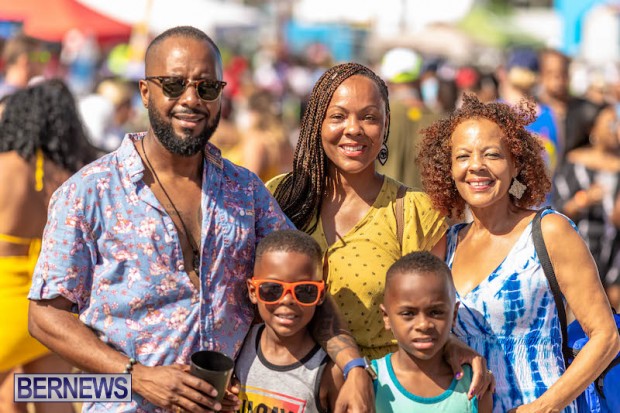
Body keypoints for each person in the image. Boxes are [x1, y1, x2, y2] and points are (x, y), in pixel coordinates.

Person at [27, 26, 374, 413]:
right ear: (145, 91)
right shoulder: (90, 192)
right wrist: (136, 376)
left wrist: (353, 366)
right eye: (173, 85)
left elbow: (304, 283)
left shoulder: (245, 191)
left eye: (206, 88)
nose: (191, 99)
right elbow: (44, 316)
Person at [268, 62, 494, 397]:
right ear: (316, 122)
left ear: (386, 125)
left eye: (369, 117)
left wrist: (451, 343)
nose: (353, 129)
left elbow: (433, 312)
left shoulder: (416, 212)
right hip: (284, 389)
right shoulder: (279, 197)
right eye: (338, 116)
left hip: (380, 395)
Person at [417, 93, 620, 412]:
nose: (476, 166)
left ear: (515, 164)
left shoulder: (549, 231)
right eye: (463, 156)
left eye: (492, 154)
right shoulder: (446, 244)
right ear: (449, 169)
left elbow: (606, 337)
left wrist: (544, 406)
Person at [0, 78, 97, 413]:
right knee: (52, 398)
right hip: (51, 307)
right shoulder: (74, 176)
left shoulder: (5, 166)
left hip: (4, 304)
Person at [236, 229, 343, 412]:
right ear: (253, 291)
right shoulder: (238, 345)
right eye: (272, 289)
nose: (287, 300)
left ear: (320, 295)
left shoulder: (330, 371)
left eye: (304, 290)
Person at [374, 251, 492, 412]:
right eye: (408, 313)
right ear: (386, 317)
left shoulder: (476, 383)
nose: (424, 325)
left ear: (454, 315)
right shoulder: (371, 381)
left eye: (436, 312)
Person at [553, 103, 620, 310]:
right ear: (592, 128)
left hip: (614, 252)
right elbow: (558, 209)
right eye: (611, 124)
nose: (616, 129)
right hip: (581, 250)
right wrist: (584, 199)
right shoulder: (574, 162)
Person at [0, 34, 48, 99]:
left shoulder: (7, 93)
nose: (45, 63)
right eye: (42, 57)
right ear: (25, 61)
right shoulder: (12, 98)